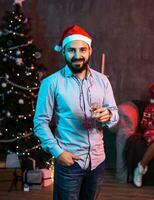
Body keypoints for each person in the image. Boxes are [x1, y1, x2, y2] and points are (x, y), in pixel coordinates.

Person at [33, 25, 119, 200]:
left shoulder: (102, 81)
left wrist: (109, 115)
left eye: (82, 50)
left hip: (97, 161)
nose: (77, 55)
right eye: (71, 50)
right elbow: (40, 122)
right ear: (63, 51)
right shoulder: (51, 83)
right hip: (69, 162)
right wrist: (58, 153)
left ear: (90, 51)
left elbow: (114, 114)